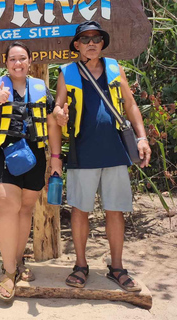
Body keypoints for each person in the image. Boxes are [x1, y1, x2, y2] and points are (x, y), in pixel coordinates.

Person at [53, 20, 151, 292]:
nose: (92, 43)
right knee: (80, 210)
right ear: (77, 45)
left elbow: (130, 105)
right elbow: (58, 108)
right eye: (86, 39)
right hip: (82, 151)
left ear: (103, 43)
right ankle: (81, 266)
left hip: (115, 151)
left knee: (115, 210)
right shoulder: (67, 72)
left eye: (97, 38)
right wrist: (59, 115)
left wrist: (142, 138)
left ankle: (117, 267)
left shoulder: (114, 68)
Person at [0, 41, 61, 301]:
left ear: (30, 61)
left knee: (25, 208)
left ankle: (18, 260)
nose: (17, 63)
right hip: (2, 152)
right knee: (6, 205)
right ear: (6, 63)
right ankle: (8, 271)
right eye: (12, 59)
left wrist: (55, 158)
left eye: (22, 58)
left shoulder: (41, 88)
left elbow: (54, 123)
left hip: (34, 155)